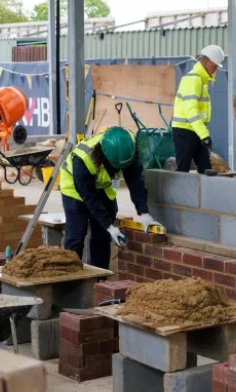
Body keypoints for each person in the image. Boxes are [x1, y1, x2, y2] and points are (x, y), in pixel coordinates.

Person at [59, 126, 157, 270]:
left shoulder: (128, 145)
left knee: (102, 236)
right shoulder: (84, 160)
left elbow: (135, 178)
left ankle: (100, 278)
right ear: (104, 155)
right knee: (77, 234)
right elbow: (90, 199)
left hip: (102, 186)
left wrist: (143, 211)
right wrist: (110, 226)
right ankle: (69, 276)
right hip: (74, 188)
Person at [172, 45, 224, 174]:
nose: (216, 69)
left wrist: (202, 134)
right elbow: (191, 111)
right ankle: (180, 194)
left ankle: (206, 194)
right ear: (205, 62)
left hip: (196, 131)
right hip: (185, 132)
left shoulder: (202, 81)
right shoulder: (193, 80)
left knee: (206, 169)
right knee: (183, 170)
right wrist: (204, 135)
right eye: (215, 65)